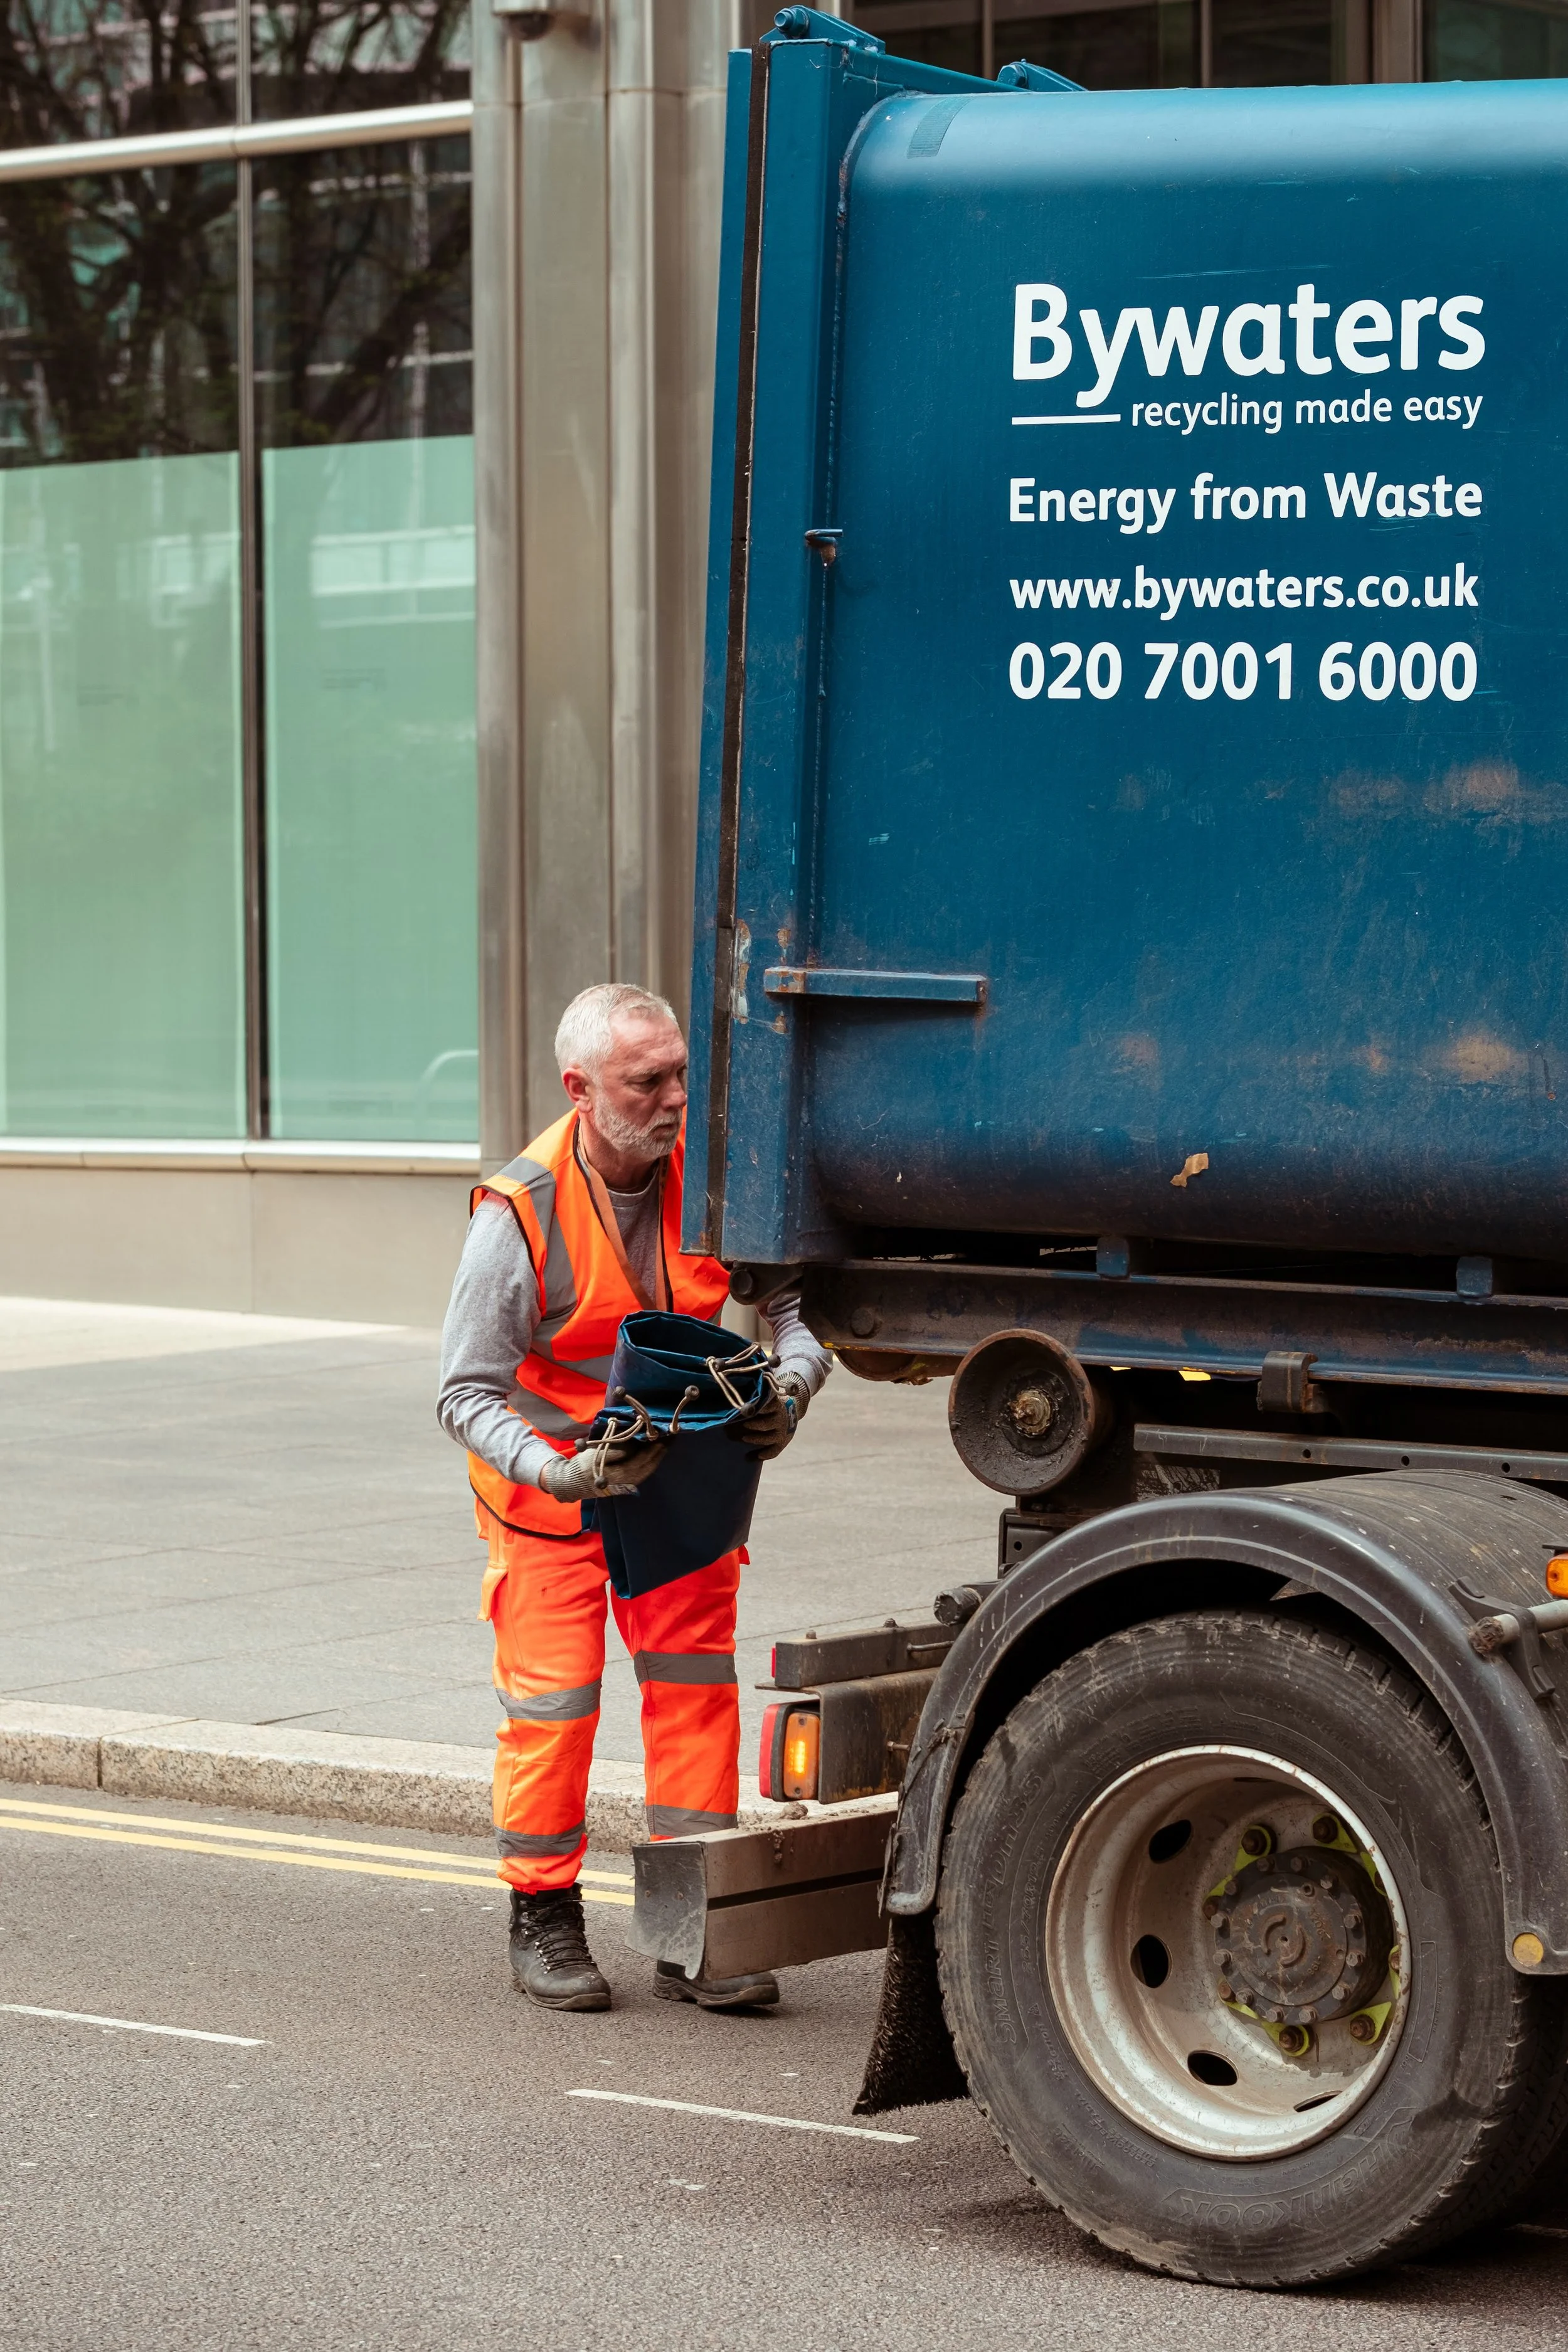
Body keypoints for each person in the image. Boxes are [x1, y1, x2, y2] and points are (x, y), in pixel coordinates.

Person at [438, 981, 831, 2013]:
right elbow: (464, 1393)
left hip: (683, 1491)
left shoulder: (721, 1177)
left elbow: (797, 1317)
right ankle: (544, 1915)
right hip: (552, 1500)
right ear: (580, 1087)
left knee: (696, 1696)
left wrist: (790, 1388)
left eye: (680, 1075)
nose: (671, 1099)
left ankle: (695, 1930)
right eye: (644, 1081)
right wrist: (561, 1468)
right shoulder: (515, 1211)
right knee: (555, 1709)